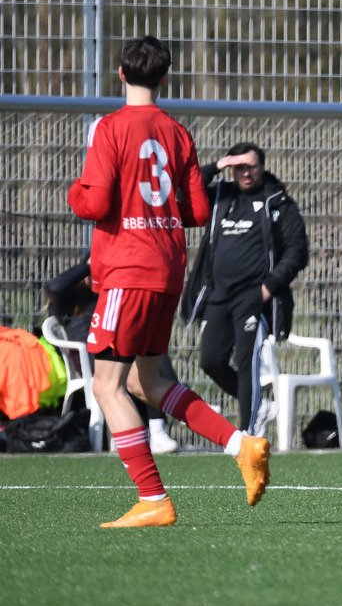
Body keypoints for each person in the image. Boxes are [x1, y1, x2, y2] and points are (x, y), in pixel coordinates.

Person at [67, 35, 270, 528]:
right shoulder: (177, 133)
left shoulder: (109, 127)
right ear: (164, 78)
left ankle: (153, 497)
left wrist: (75, 191)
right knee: (147, 380)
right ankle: (241, 445)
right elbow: (197, 210)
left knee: (107, 386)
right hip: (166, 270)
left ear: (120, 73)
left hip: (127, 269)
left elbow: (95, 203)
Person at [182, 142, 309, 438]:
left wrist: (267, 289)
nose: (246, 173)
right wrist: (217, 165)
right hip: (218, 295)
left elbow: (297, 251)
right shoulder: (220, 196)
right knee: (210, 361)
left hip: (254, 297)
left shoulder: (277, 201)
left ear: (261, 167)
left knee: (247, 363)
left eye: (251, 166)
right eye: (239, 167)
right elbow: (183, 192)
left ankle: (247, 434)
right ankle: (259, 406)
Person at [46, 257, 179, 454]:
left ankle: (161, 427)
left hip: (115, 351)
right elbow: (54, 287)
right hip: (91, 358)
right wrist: (89, 265)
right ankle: (178, 410)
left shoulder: (109, 294)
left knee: (150, 353)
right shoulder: (71, 298)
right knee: (138, 364)